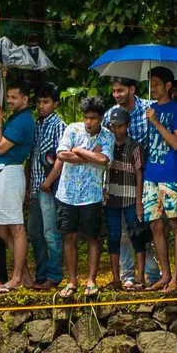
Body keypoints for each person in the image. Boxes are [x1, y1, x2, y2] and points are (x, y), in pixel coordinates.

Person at [52, 95, 113, 295]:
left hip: (91, 195)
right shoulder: (72, 129)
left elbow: (103, 159)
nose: (88, 122)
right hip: (67, 194)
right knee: (69, 237)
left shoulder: (107, 136)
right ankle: (71, 281)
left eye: (93, 118)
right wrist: (89, 155)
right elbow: (61, 154)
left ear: (101, 118)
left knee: (92, 238)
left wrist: (77, 150)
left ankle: (91, 281)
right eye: (86, 117)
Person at [136, 66, 177, 292]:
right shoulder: (149, 110)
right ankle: (164, 274)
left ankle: (176, 276)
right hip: (151, 174)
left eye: (157, 83)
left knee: (175, 222)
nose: (152, 88)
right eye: (150, 84)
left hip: (171, 174)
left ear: (167, 86)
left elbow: (176, 144)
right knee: (155, 224)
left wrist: (157, 122)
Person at [103, 78, 153, 288]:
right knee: (116, 236)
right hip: (112, 195)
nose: (117, 94)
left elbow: (139, 172)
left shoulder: (149, 109)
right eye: (114, 91)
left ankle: (147, 275)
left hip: (136, 191)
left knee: (138, 234)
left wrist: (140, 199)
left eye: (121, 90)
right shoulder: (108, 130)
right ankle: (124, 277)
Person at [0, 82, 35, 292]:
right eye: (8, 97)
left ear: (25, 99)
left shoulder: (24, 120)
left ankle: (16, 278)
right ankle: (25, 275)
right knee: (1, 228)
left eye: (14, 97)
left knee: (16, 226)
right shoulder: (14, 118)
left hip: (10, 172)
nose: (9, 101)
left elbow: (1, 146)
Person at [29, 86, 66, 287]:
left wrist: (48, 182)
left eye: (46, 102)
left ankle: (54, 275)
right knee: (35, 232)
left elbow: (61, 158)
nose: (41, 106)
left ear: (55, 103)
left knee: (51, 232)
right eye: (39, 102)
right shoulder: (36, 124)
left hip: (49, 187)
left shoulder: (59, 125)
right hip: (35, 186)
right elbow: (32, 157)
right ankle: (41, 273)